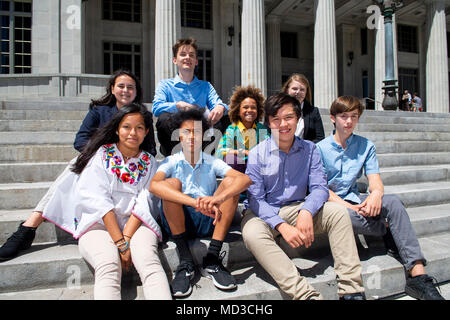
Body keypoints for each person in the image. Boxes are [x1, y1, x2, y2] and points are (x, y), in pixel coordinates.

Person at [0, 69, 156, 262]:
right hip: (98, 162)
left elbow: (150, 149)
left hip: (130, 167)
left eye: (130, 87)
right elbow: (80, 140)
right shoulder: (99, 110)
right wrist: (104, 155)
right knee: (75, 166)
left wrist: (128, 156)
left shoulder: (144, 116)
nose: (126, 90)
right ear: (112, 89)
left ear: (136, 91)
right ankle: (29, 226)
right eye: (121, 86)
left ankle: (30, 226)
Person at [316, 95, 444, 300]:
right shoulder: (320, 148)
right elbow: (321, 190)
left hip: (355, 197)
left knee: (392, 202)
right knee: (343, 215)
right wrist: (353, 208)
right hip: (332, 204)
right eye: (343, 116)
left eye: (353, 116)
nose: (349, 121)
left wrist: (375, 194)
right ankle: (384, 228)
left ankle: (418, 276)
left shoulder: (366, 145)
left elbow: (374, 179)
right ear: (333, 118)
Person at [241, 92, 366, 300]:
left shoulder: (310, 149)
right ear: (268, 123)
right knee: (252, 234)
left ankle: (352, 290)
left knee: (337, 212)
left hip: (298, 206)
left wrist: (307, 211)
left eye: (289, 117)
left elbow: (320, 187)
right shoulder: (257, 153)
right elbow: (256, 200)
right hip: (263, 212)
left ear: (298, 119)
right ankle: (306, 295)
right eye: (276, 119)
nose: (283, 124)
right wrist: (281, 225)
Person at [42, 103, 170, 300]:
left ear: (146, 132)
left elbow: (145, 201)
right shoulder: (101, 155)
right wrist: (119, 243)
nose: (132, 133)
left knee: (149, 263)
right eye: (127, 127)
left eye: (139, 128)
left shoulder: (150, 161)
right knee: (109, 265)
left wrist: (126, 238)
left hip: (136, 224)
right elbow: (98, 200)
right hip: (98, 224)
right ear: (117, 129)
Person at [149, 107, 252, 298]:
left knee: (231, 183)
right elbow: (154, 186)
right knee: (170, 184)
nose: (192, 137)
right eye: (186, 131)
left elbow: (245, 180)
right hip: (180, 220)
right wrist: (194, 202)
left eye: (197, 132)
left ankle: (212, 258)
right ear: (179, 135)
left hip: (209, 219)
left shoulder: (211, 160)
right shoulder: (170, 161)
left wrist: (217, 198)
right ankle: (185, 261)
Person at [152, 37, 229, 157]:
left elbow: (219, 104)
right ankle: (176, 159)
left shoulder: (206, 86)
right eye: (183, 54)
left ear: (196, 61)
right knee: (163, 118)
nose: (187, 57)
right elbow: (156, 108)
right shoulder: (165, 85)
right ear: (175, 60)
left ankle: (203, 158)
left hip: (201, 138)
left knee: (224, 117)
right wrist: (179, 105)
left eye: (191, 55)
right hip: (175, 137)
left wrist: (220, 107)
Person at [216, 85, 269, 173]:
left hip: (257, 167)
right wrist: (242, 152)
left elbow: (268, 148)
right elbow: (220, 151)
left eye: (253, 107)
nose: (249, 110)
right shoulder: (232, 129)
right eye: (245, 107)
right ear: (238, 111)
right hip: (238, 169)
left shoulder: (261, 129)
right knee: (231, 158)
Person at [281, 73, 325, 143]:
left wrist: (304, 148)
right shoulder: (275, 109)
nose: (298, 92)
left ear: (306, 92)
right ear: (287, 90)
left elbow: (320, 138)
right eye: (294, 89)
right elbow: (264, 132)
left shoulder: (313, 112)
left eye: (302, 90)